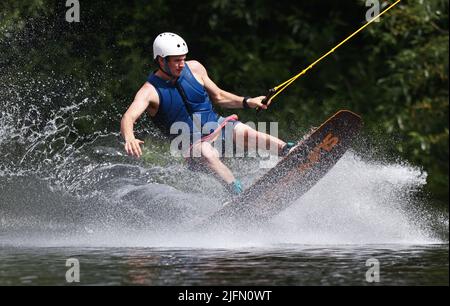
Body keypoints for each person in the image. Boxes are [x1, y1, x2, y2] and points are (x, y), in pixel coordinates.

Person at [120, 32, 295, 195]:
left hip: (217, 127)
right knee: (206, 151)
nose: (182, 64)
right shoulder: (149, 91)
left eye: (183, 59)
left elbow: (218, 96)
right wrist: (129, 137)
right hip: (193, 146)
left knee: (245, 131)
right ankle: (238, 193)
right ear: (160, 60)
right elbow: (128, 117)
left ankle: (289, 151)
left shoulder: (195, 68)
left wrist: (247, 101)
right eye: (176, 61)